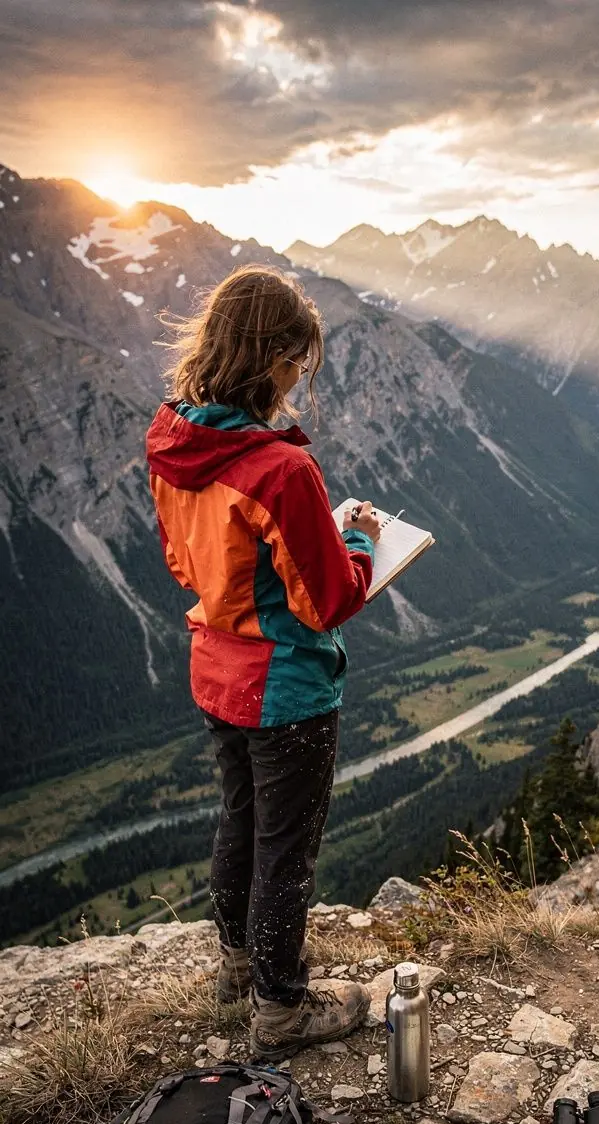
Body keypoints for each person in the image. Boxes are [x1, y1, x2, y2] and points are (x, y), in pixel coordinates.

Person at [146, 264, 381, 1059]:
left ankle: (235, 965)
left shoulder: (175, 445)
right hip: (285, 690)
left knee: (239, 821)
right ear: (271, 357)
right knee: (287, 849)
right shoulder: (281, 470)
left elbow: (187, 566)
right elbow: (328, 602)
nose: (297, 379)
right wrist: (359, 541)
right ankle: (282, 1010)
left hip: (215, 671)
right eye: (296, 364)